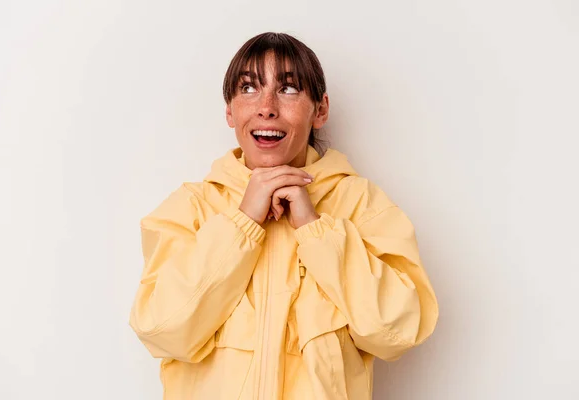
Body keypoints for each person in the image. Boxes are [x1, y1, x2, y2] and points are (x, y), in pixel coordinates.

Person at [129, 32, 439, 400]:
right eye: (248, 88)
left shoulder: (361, 205)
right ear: (229, 110)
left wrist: (315, 230)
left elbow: (398, 331)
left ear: (320, 110)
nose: (266, 107)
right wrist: (242, 223)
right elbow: (162, 329)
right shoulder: (191, 207)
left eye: (288, 89)